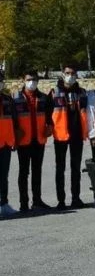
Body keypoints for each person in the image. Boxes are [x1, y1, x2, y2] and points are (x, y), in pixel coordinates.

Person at [50, 63, 89, 209]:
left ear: (76, 75)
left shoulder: (82, 92)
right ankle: (61, 201)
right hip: (60, 135)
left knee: (75, 168)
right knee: (60, 168)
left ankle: (76, 198)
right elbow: (48, 114)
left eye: (73, 73)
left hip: (77, 134)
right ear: (62, 74)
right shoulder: (54, 92)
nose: (70, 76)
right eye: (67, 73)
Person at [13, 71, 53, 211]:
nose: (32, 82)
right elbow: (12, 118)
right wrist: (15, 135)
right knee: (23, 172)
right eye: (29, 79)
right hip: (24, 140)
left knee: (37, 171)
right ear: (23, 80)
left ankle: (37, 200)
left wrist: (50, 127)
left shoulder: (43, 98)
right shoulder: (16, 97)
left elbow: (49, 116)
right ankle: (23, 203)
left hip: (39, 139)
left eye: (34, 79)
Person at [0, 70, 19, 217]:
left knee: (3, 176)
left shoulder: (8, 100)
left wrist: (15, 140)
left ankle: (3, 203)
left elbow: (14, 121)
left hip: (6, 143)